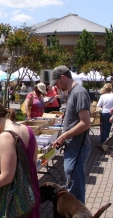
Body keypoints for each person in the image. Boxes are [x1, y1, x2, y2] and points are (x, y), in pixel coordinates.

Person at [50, 65, 91, 204]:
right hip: (73, 146)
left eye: (57, 82)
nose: (56, 86)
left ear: (63, 77)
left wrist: (64, 136)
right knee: (73, 183)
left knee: (75, 187)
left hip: (77, 147)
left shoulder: (79, 92)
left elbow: (85, 123)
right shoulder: (73, 92)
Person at [97, 83, 113, 148]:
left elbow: (98, 105)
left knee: (104, 128)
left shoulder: (102, 96)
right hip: (112, 113)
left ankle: (104, 143)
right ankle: (110, 143)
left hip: (104, 112)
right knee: (110, 129)